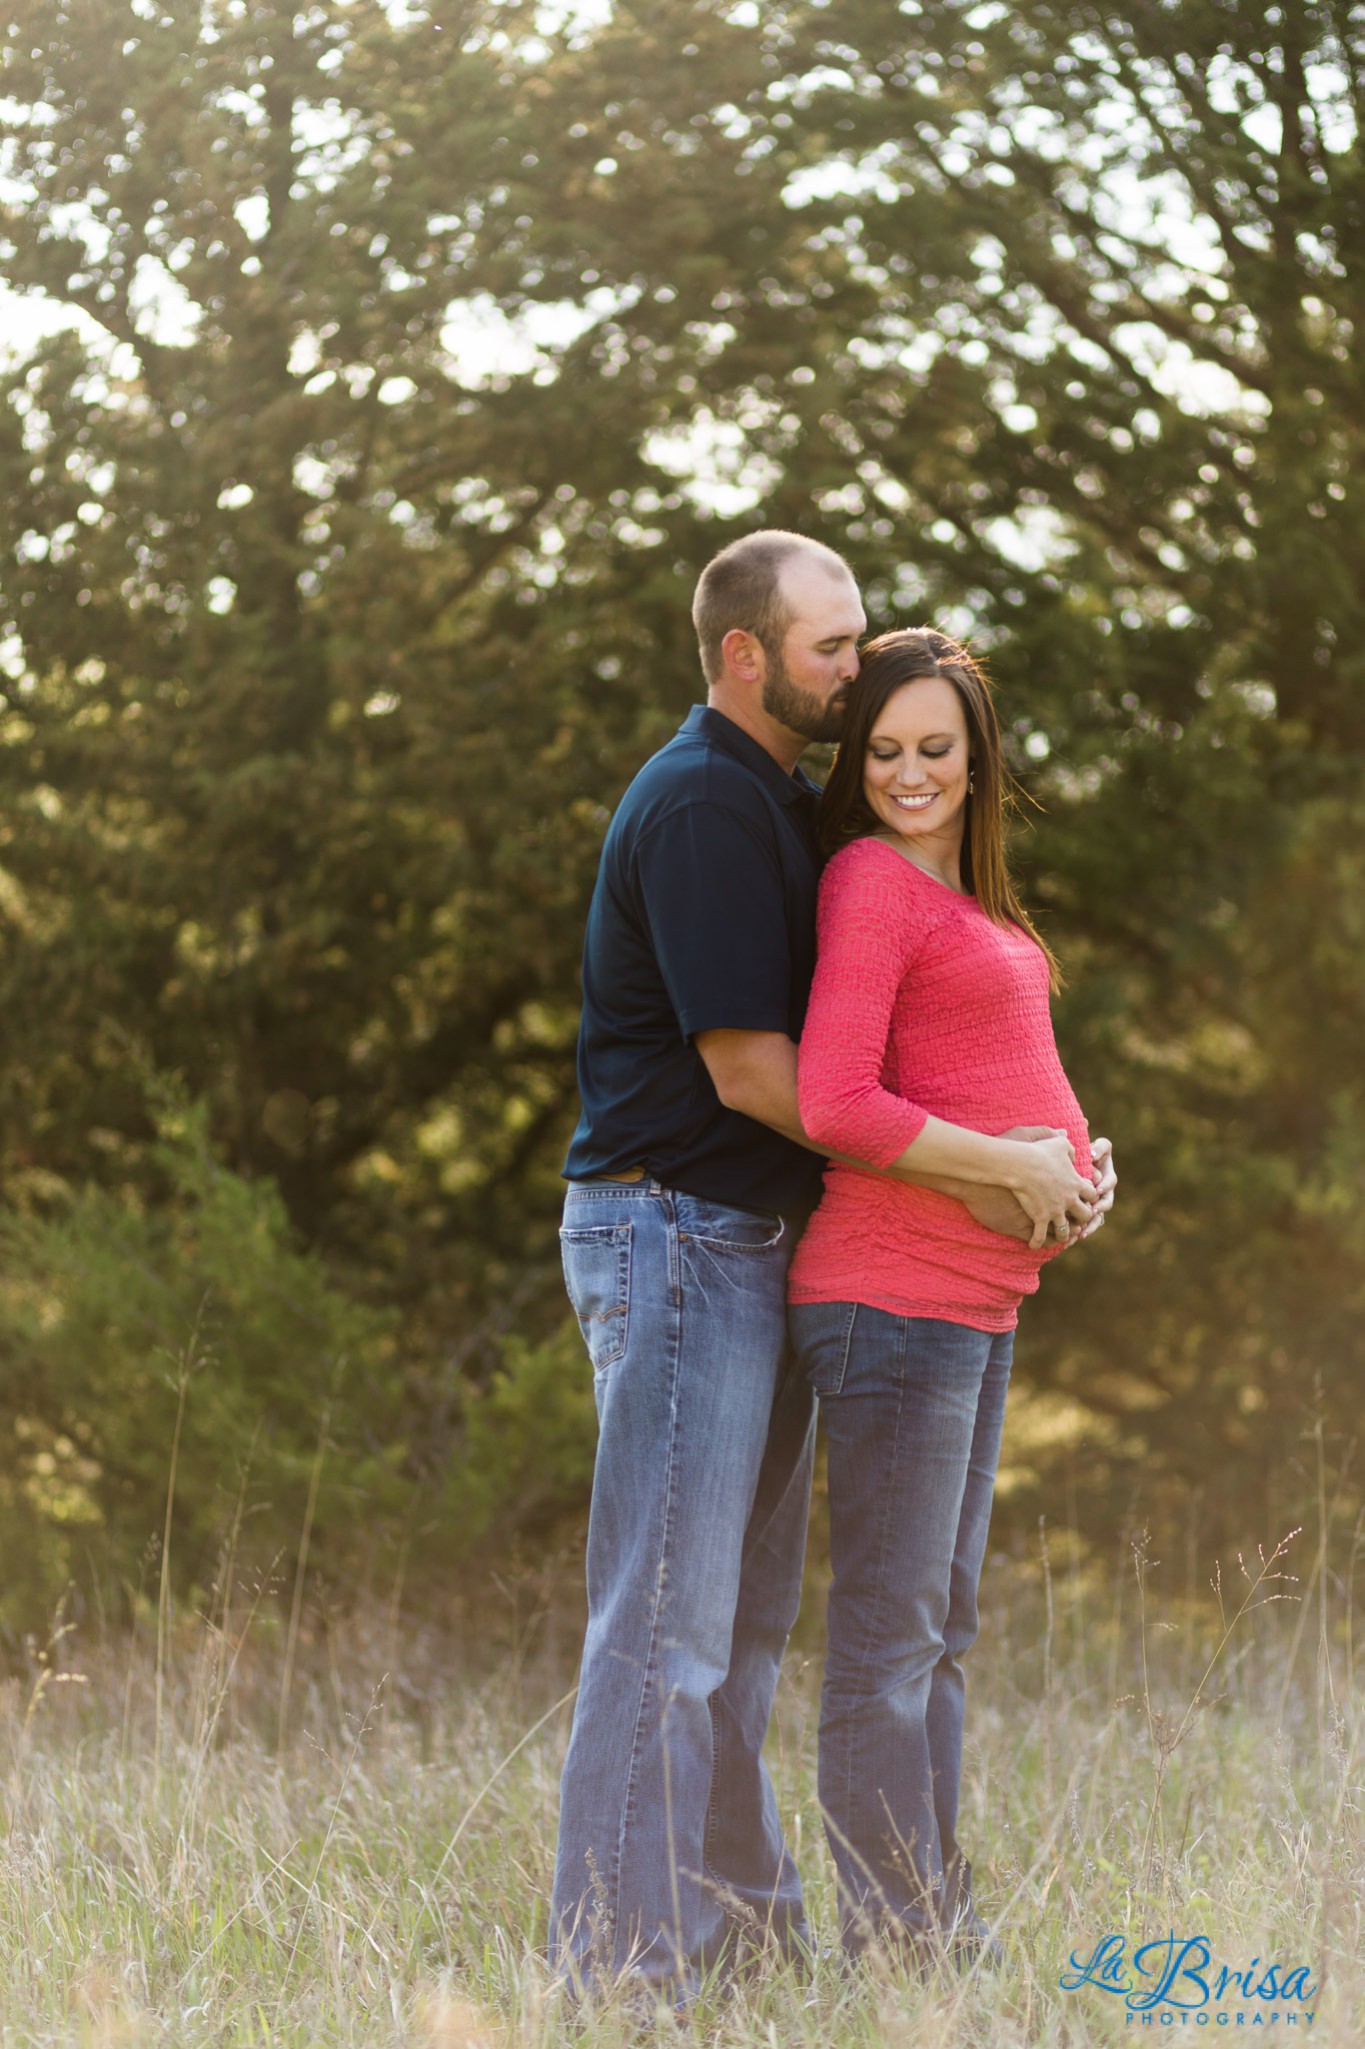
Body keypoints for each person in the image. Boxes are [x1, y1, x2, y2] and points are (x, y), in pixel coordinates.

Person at [550, 536, 1115, 2002]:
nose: (854, 670)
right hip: (672, 1224)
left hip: (748, 1238)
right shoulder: (700, 808)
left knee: (735, 1628)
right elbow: (762, 1078)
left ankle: (737, 1943)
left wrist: (1048, 1160)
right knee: (666, 1620)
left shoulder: (780, 804)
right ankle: (619, 1973)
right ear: (744, 654)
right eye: (828, 648)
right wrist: (1004, 1162)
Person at [787, 626, 1098, 1966]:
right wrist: (1015, 1161)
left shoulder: (957, 895)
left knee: (940, 1636)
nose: (909, 772)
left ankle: (935, 1926)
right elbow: (832, 1099)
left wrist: (1074, 1179)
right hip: (890, 1298)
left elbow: (999, 1085)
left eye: (934, 749)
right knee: (888, 1645)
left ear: (975, 759)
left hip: (972, 1301)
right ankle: (900, 1943)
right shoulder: (866, 879)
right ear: (856, 764)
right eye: (883, 750)